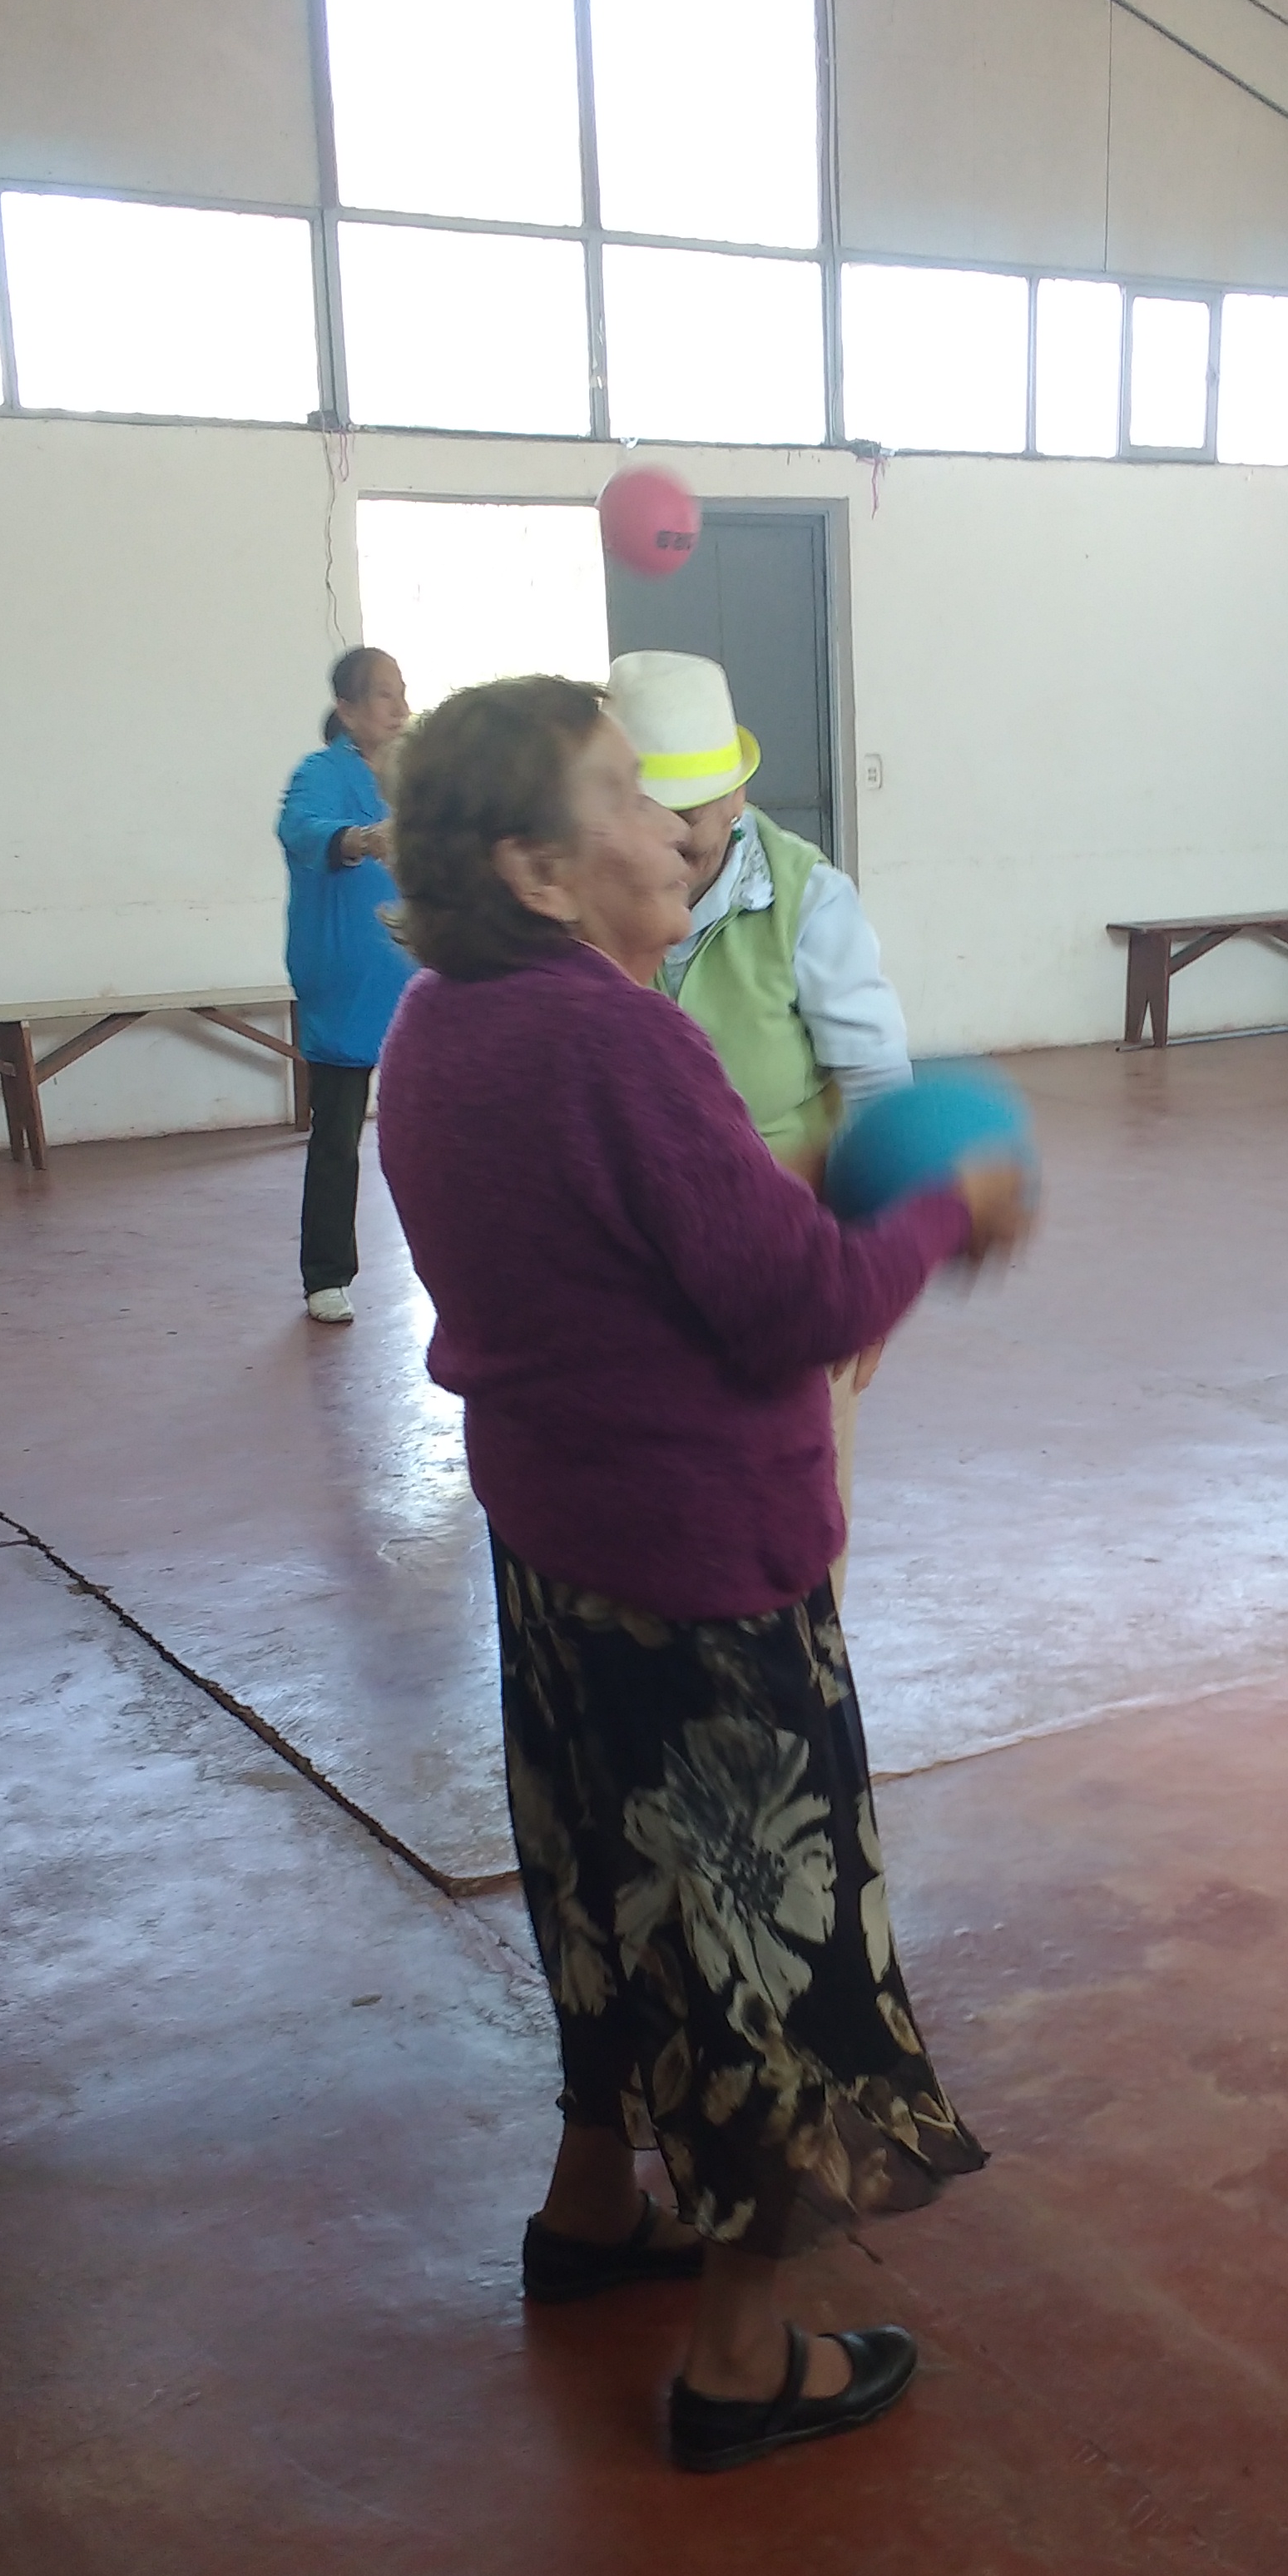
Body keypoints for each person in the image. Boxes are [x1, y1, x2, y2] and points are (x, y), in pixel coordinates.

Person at [374, 676, 1032, 2470]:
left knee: (607, 1886)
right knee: (769, 1950)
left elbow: (626, 1236)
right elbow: (794, 1308)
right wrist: (941, 1210)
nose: (675, 829)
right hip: (702, 1568)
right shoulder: (619, 1040)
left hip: (560, 1550)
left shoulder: (442, 1023)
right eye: (625, 795)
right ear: (537, 867)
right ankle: (741, 2358)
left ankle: (594, 2203)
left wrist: (786, 1172)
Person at [603, 651, 912, 1567]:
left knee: (793, 1514)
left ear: (736, 798)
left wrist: (867, 1277)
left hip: (782, 1256)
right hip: (637, 1268)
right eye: (645, 811)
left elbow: (878, 1085)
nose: (667, 838)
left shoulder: (807, 897)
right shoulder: (586, 893)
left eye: (689, 816)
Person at [277, 646, 414, 1325]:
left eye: (401, 691)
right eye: (383, 694)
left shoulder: (416, 777)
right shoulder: (320, 774)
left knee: (433, 1128)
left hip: (418, 976)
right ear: (349, 709)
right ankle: (326, 1275)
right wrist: (359, 839)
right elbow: (303, 830)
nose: (399, 706)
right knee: (336, 1132)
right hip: (346, 978)